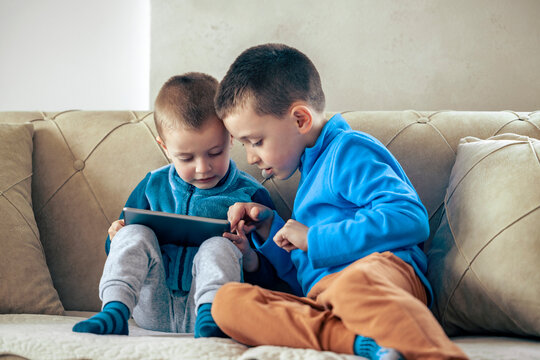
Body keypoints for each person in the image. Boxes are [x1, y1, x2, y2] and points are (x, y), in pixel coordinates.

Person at [211, 44, 469, 360]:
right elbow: (304, 279)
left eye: (257, 141)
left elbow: (409, 217)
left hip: (379, 276)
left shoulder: (348, 150)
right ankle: (362, 343)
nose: (251, 158)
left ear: (300, 119)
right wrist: (267, 230)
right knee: (226, 303)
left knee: (353, 284)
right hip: (326, 300)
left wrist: (314, 238)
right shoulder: (307, 178)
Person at [73, 72, 276, 338]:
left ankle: (210, 321)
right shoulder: (152, 186)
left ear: (230, 137)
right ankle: (114, 312)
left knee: (219, 244)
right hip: (150, 306)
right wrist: (115, 237)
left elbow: (276, 275)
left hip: (213, 308)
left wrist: (249, 256)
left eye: (215, 153)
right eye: (186, 157)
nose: (203, 168)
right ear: (165, 148)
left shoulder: (250, 196)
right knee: (135, 232)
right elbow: (118, 250)